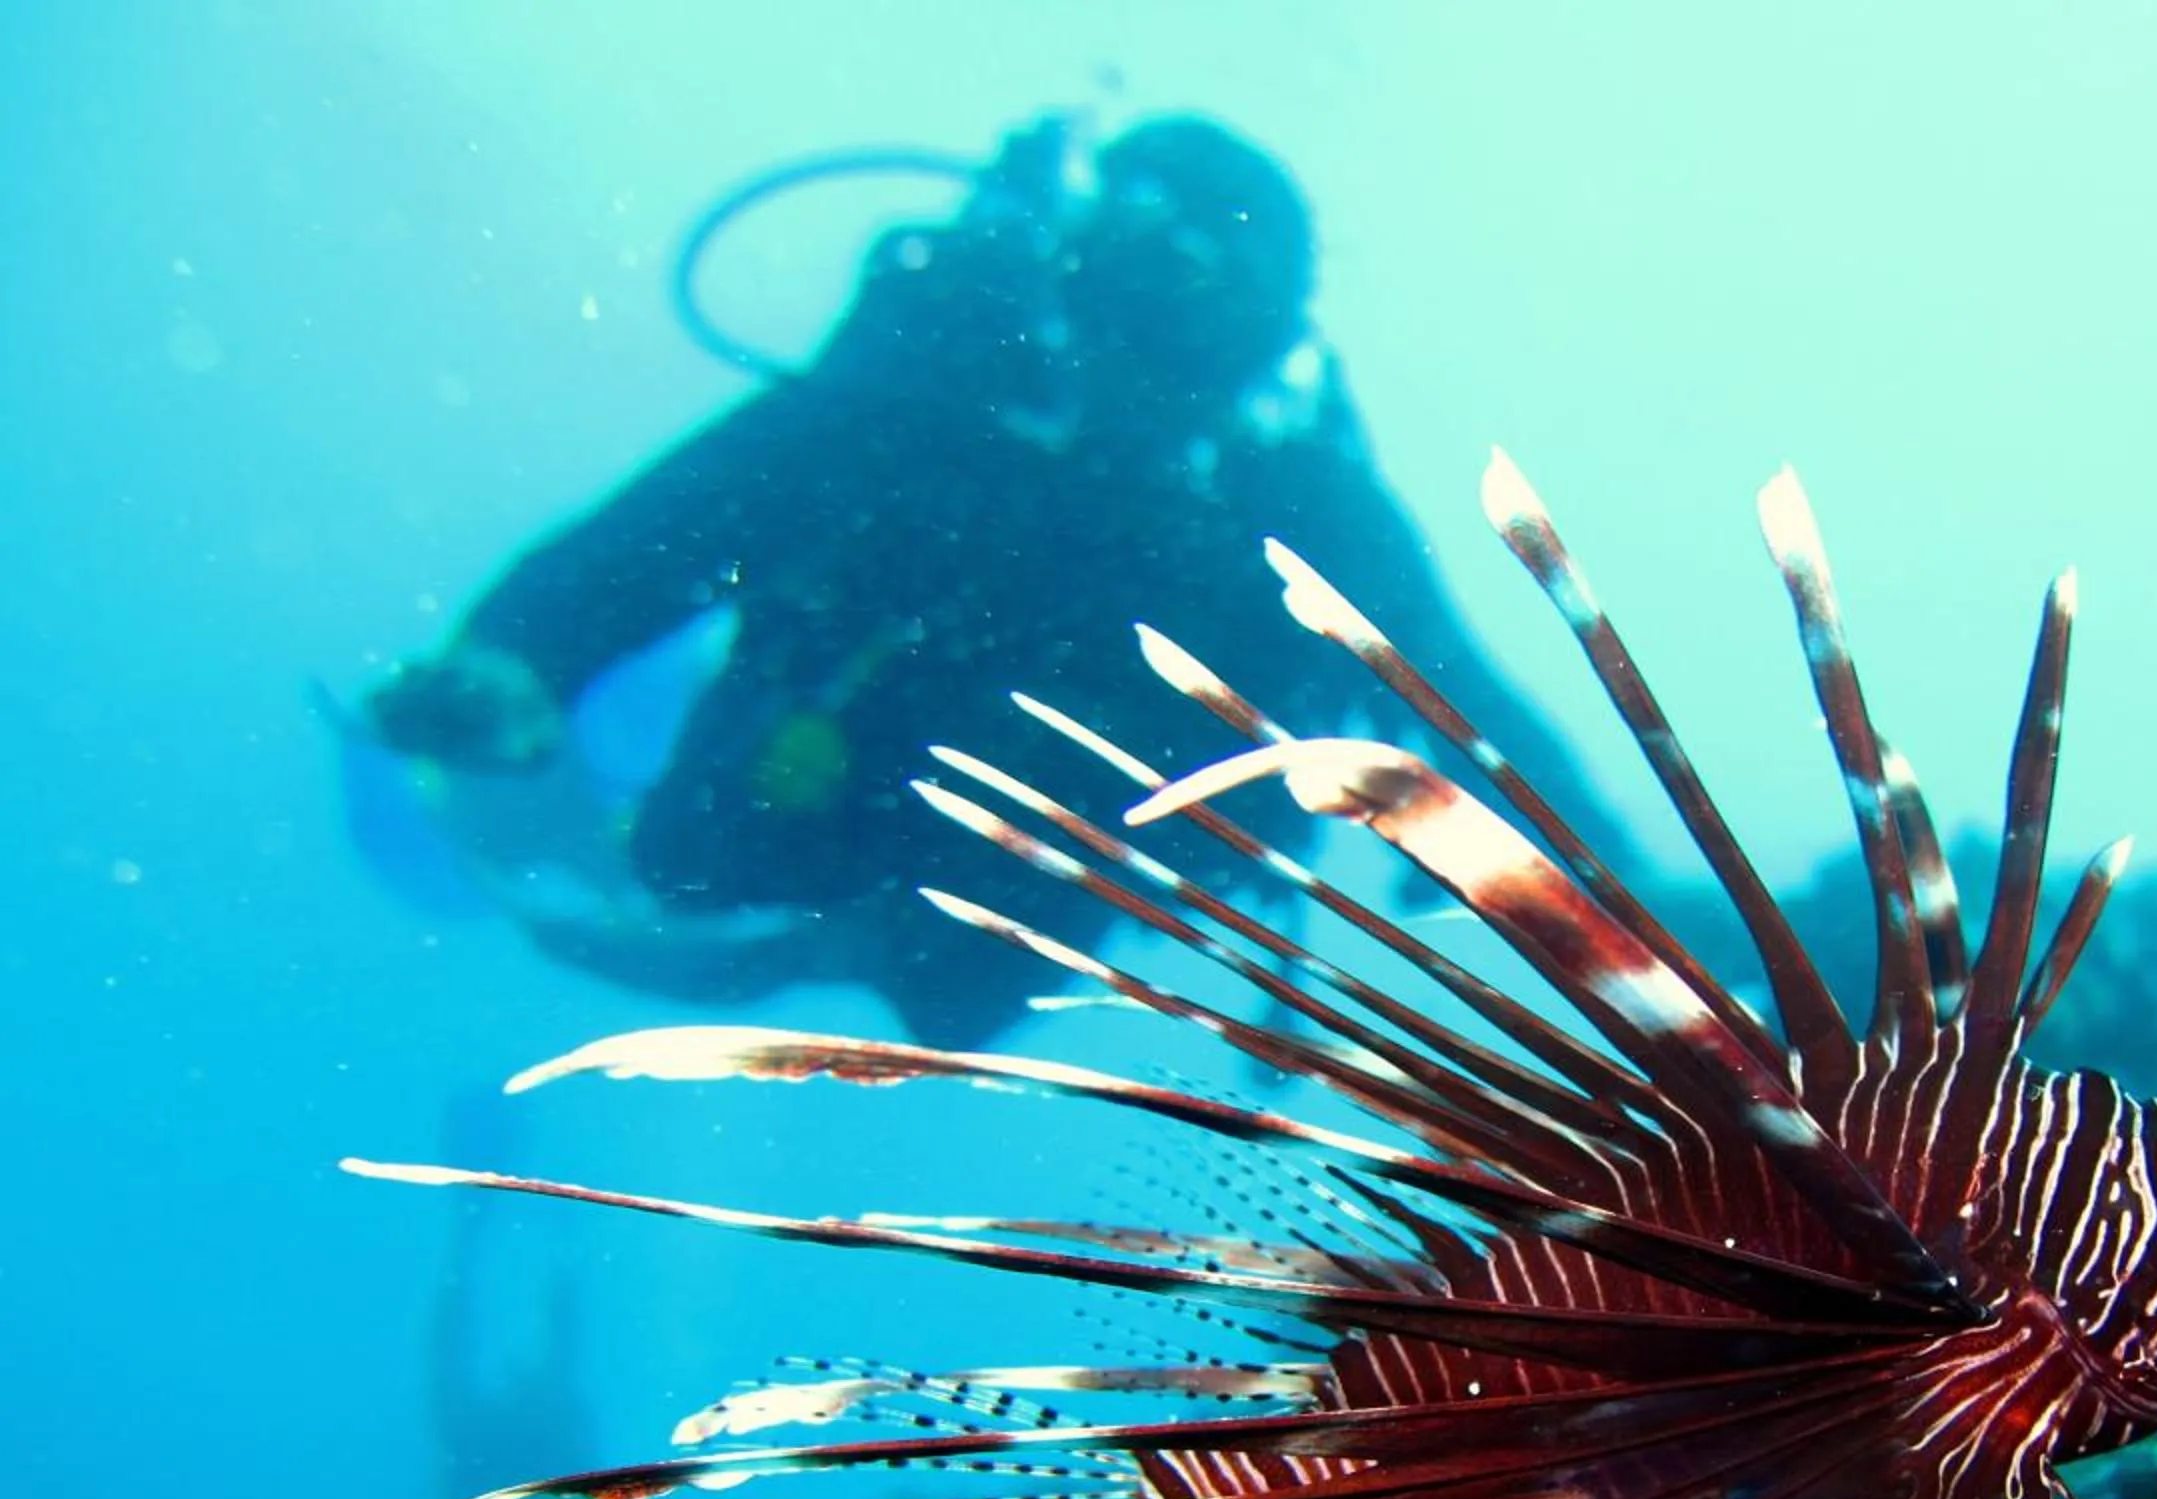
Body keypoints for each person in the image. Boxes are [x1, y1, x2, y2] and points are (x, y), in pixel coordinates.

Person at [361, 114, 1628, 1047]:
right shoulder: (919, 400)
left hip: (981, 935)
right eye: (1136, 252)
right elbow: (676, 521)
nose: (1154, 303)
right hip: (760, 829)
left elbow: (1463, 708)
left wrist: (1654, 918)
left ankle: (594, 834)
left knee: (929, 975)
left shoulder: (1298, 503)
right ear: (1068, 255)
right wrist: (518, 654)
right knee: (689, 862)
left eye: (1198, 281)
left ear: (1264, 332)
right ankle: (558, 819)